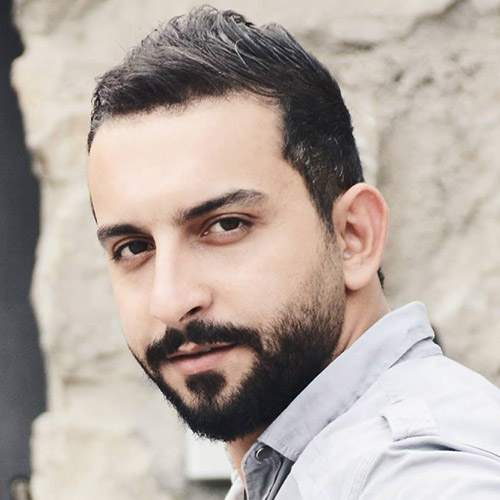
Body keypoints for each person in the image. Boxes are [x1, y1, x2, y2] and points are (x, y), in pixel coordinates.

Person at [86, 6, 500, 499]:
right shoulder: (300, 469)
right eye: (134, 247)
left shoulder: (419, 474)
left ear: (352, 236)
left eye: (225, 225)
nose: (170, 301)